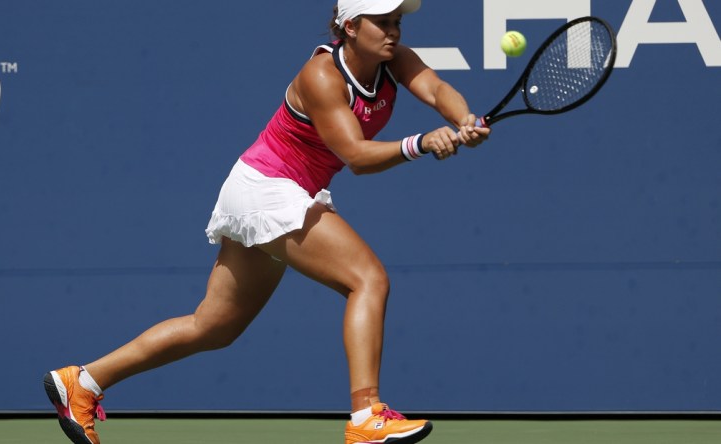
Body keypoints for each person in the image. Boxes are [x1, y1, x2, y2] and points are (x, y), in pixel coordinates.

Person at [43, 0, 490, 443]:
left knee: (213, 327)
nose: (394, 31)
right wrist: (421, 143)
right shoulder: (321, 76)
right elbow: (354, 156)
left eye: (397, 22)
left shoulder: (395, 60)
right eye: (382, 22)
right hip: (268, 189)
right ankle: (367, 416)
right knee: (367, 279)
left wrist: (462, 118)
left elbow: (436, 90)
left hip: (276, 191)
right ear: (350, 26)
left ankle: (83, 381)